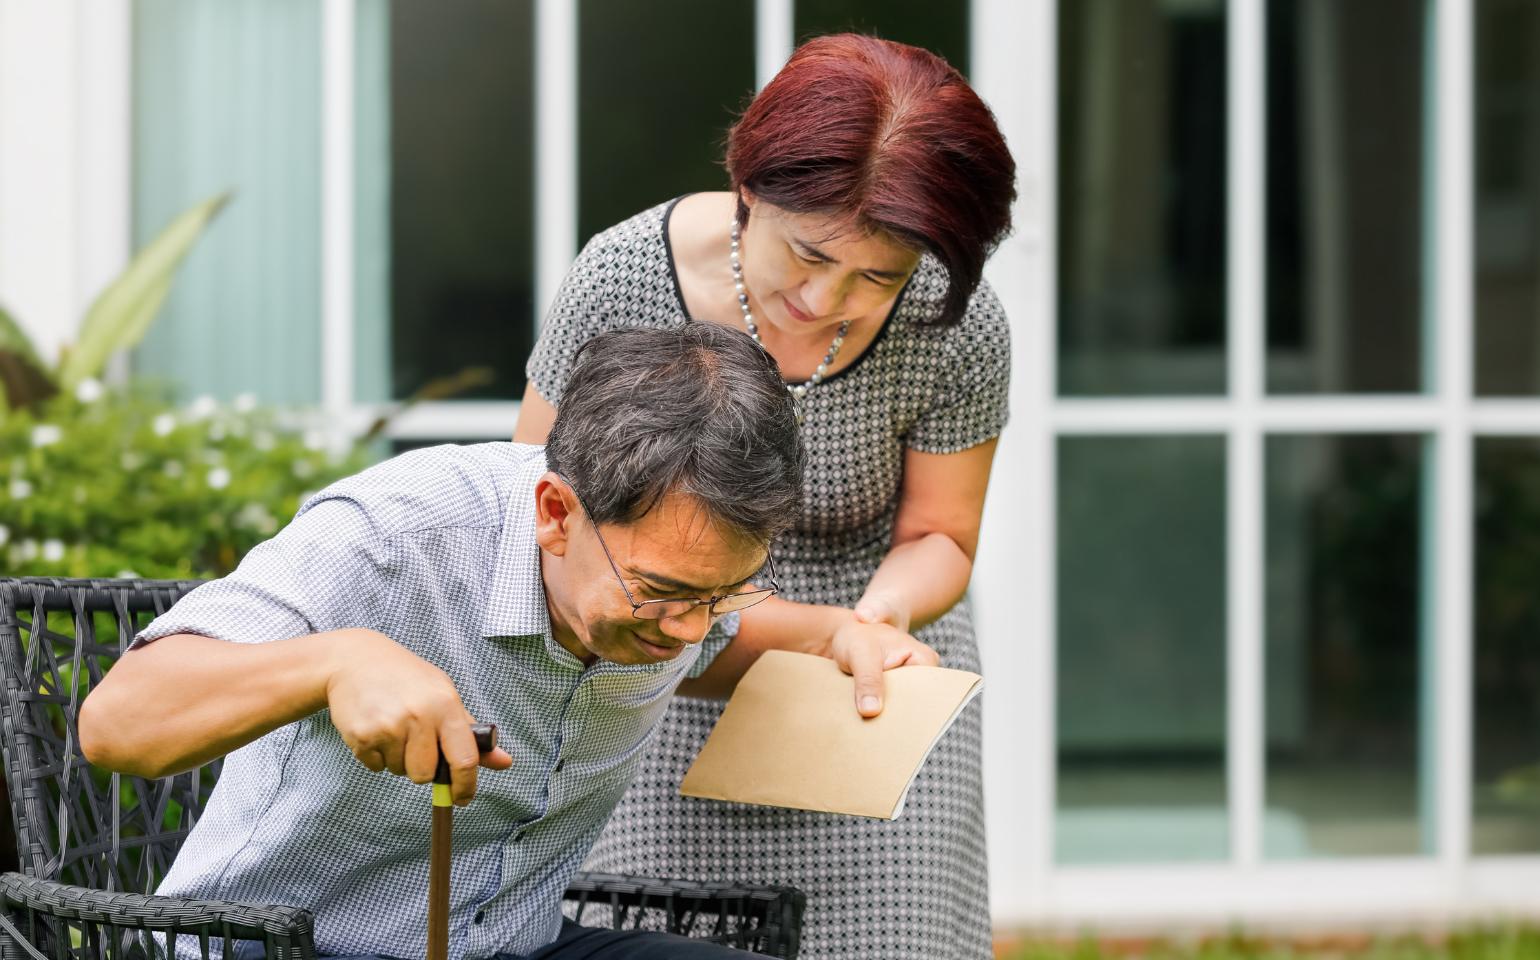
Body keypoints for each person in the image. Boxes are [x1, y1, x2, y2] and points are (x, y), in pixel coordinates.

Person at [78, 324, 935, 960]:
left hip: (514, 946)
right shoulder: (391, 534)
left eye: (720, 594)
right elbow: (118, 722)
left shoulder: (679, 596)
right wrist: (336, 661)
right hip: (278, 945)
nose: (687, 634)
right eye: (664, 594)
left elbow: (737, 638)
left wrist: (843, 634)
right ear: (557, 513)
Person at [513, 34, 1017, 959]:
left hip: (869, 694)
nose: (828, 300)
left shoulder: (957, 320)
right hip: (664, 667)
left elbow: (942, 532)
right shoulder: (620, 278)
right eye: (810, 253)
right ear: (749, 187)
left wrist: (873, 620)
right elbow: (533, 512)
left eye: (878, 277)